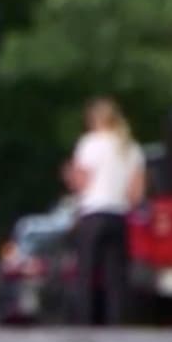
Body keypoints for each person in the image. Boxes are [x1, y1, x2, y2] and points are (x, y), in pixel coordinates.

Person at [64, 97, 146, 325]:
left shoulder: (90, 143)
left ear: (94, 119)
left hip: (93, 213)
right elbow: (136, 192)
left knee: (86, 273)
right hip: (118, 215)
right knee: (116, 275)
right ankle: (116, 322)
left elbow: (81, 182)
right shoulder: (130, 147)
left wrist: (69, 175)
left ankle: (85, 321)